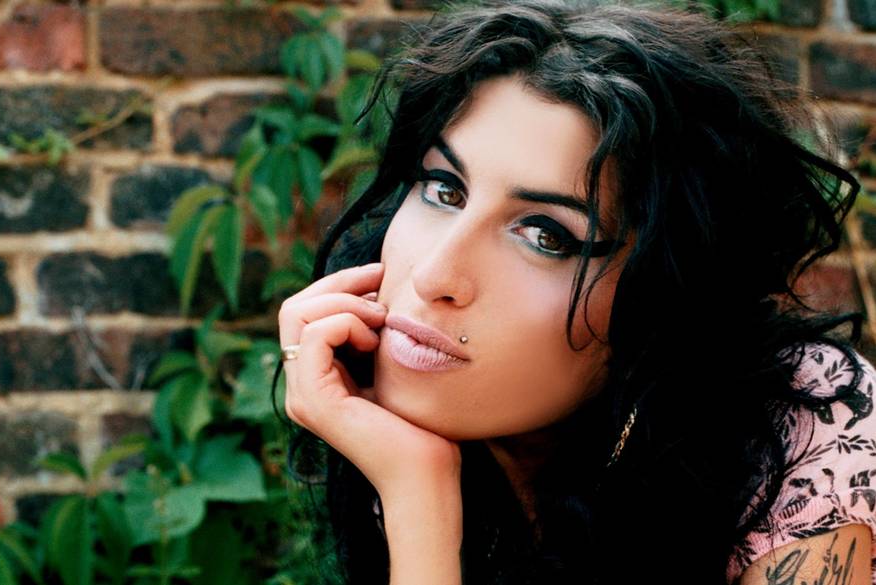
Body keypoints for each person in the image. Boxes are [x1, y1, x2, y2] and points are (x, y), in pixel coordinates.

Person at [273, 1, 876, 583]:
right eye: (444, 189)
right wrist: (417, 493)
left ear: (665, 296)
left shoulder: (803, 428)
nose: (434, 276)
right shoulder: (411, 429)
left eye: (547, 235)